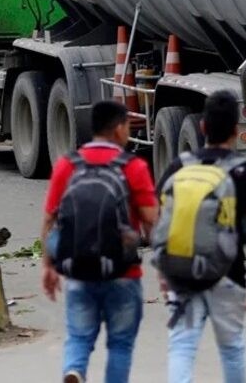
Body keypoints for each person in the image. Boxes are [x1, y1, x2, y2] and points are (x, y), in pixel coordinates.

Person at [41, 100, 159, 383]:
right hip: (123, 272)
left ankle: (74, 370)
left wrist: (49, 265)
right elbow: (151, 220)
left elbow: (49, 220)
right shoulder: (134, 167)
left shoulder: (67, 165)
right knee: (120, 344)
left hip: (78, 269)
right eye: (128, 126)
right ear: (119, 129)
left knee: (79, 337)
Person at [157, 90, 246, 383]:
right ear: (236, 130)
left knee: (182, 345)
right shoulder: (244, 171)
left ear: (203, 127)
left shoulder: (179, 166)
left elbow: (163, 219)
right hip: (228, 274)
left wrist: (163, 270)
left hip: (181, 272)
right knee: (231, 348)